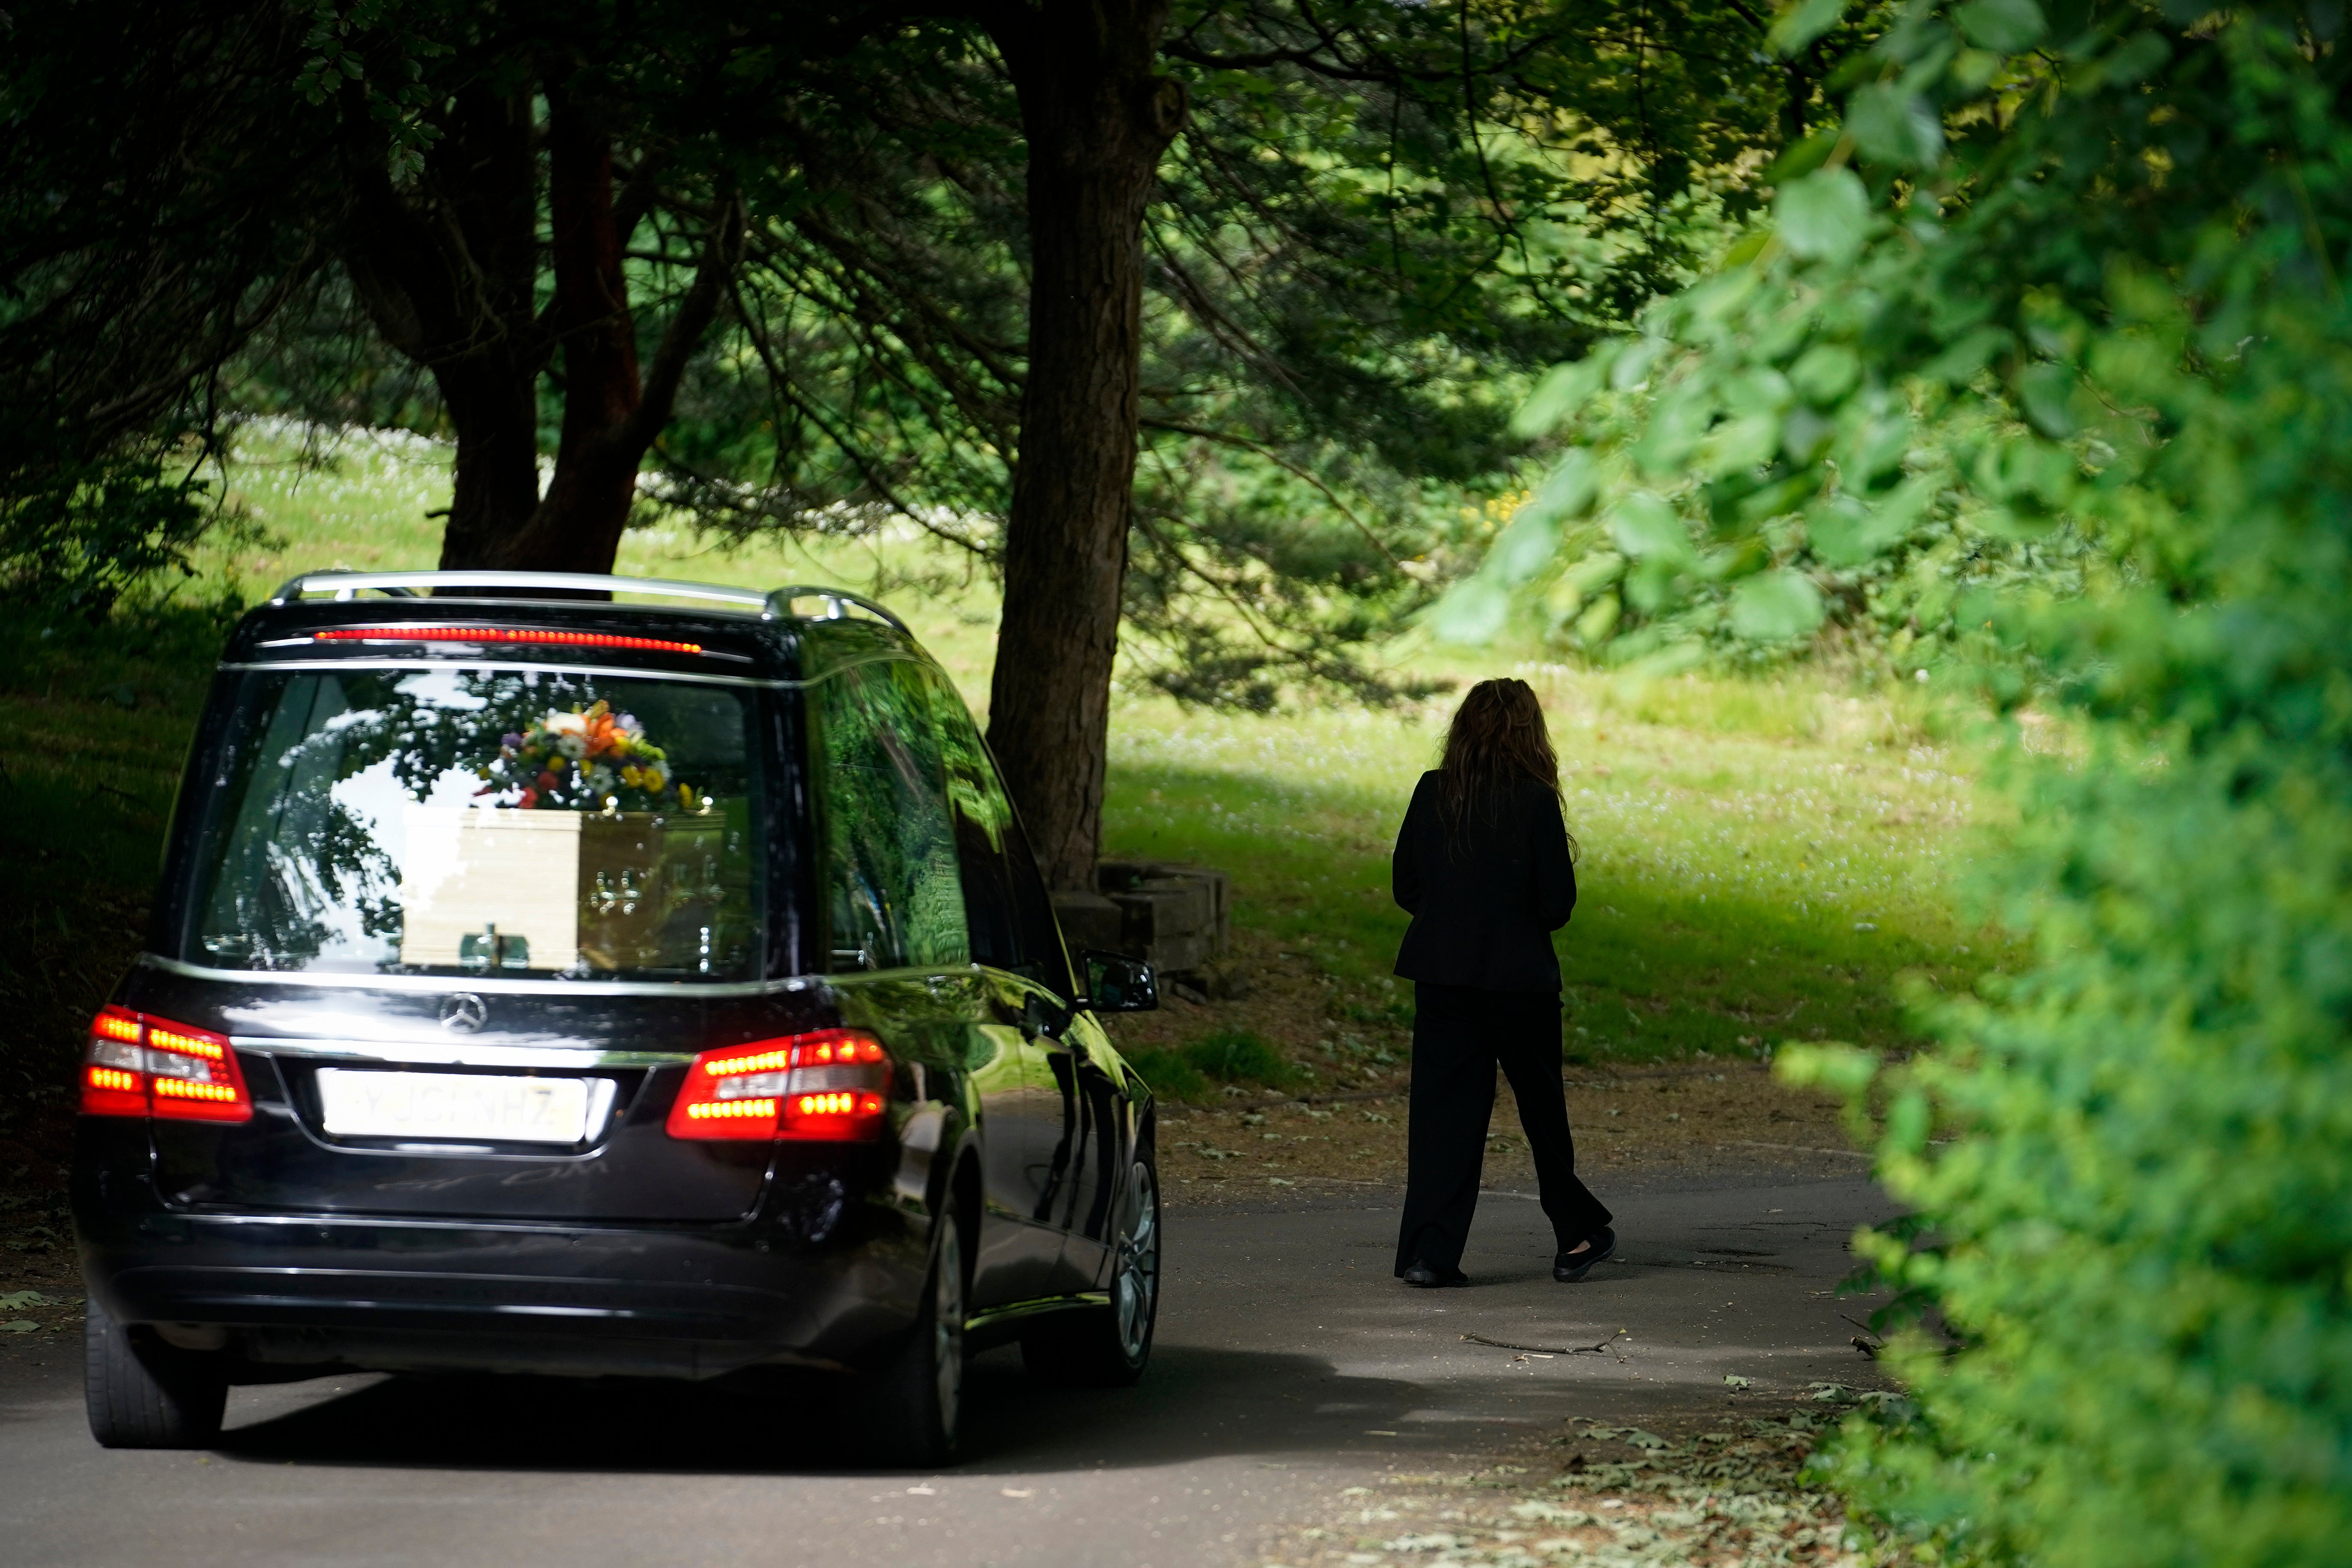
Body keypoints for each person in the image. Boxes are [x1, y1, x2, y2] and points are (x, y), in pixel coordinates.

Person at [1389, 677, 1614, 1287]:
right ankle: (1575, 1235)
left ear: (1461, 730)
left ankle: (1429, 1254)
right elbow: (1556, 903)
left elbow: (1405, 886)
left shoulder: (1434, 793)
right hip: (1518, 980)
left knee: (1442, 1116)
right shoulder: (1535, 801)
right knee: (1541, 1111)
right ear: (1529, 735)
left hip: (1441, 975)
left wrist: (1453, 915)